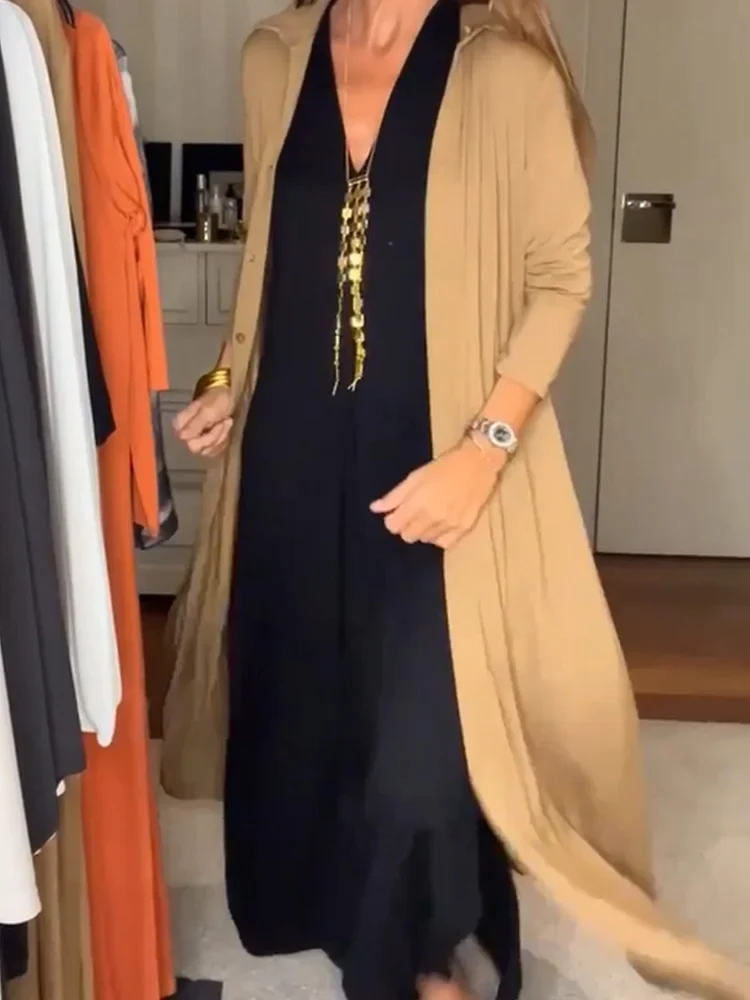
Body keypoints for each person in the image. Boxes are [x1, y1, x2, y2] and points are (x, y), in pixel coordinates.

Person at [163, 1, 750, 999]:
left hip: (436, 452)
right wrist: (227, 378)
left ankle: (421, 952)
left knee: (423, 722)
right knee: (301, 694)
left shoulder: (507, 74)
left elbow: (559, 279)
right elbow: (272, 248)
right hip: (289, 455)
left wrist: (484, 452)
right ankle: (324, 907)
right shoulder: (275, 57)